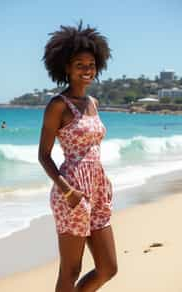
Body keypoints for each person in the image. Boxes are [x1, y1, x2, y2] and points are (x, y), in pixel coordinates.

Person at [38, 22, 118, 292]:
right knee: (71, 270)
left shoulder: (93, 103)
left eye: (92, 64)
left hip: (97, 189)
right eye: (80, 64)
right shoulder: (58, 105)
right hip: (71, 191)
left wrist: (103, 183)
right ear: (66, 68)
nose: (87, 70)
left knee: (108, 267)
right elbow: (44, 155)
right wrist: (68, 190)